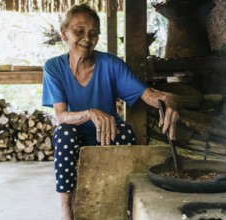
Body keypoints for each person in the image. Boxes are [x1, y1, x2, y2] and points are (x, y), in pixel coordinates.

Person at [42, 4, 179, 220]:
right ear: (64, 34)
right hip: (75, 134)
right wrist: (89, 113)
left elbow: (147, 94)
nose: (87, 38)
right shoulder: (54, 67)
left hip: (106, 133)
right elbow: (61, 115)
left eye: (93, 33)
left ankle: (117, 201)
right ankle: (67, 210)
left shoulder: (111, 64)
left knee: (125, 133)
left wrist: (167, 100)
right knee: (64, 134)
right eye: (79, 31)